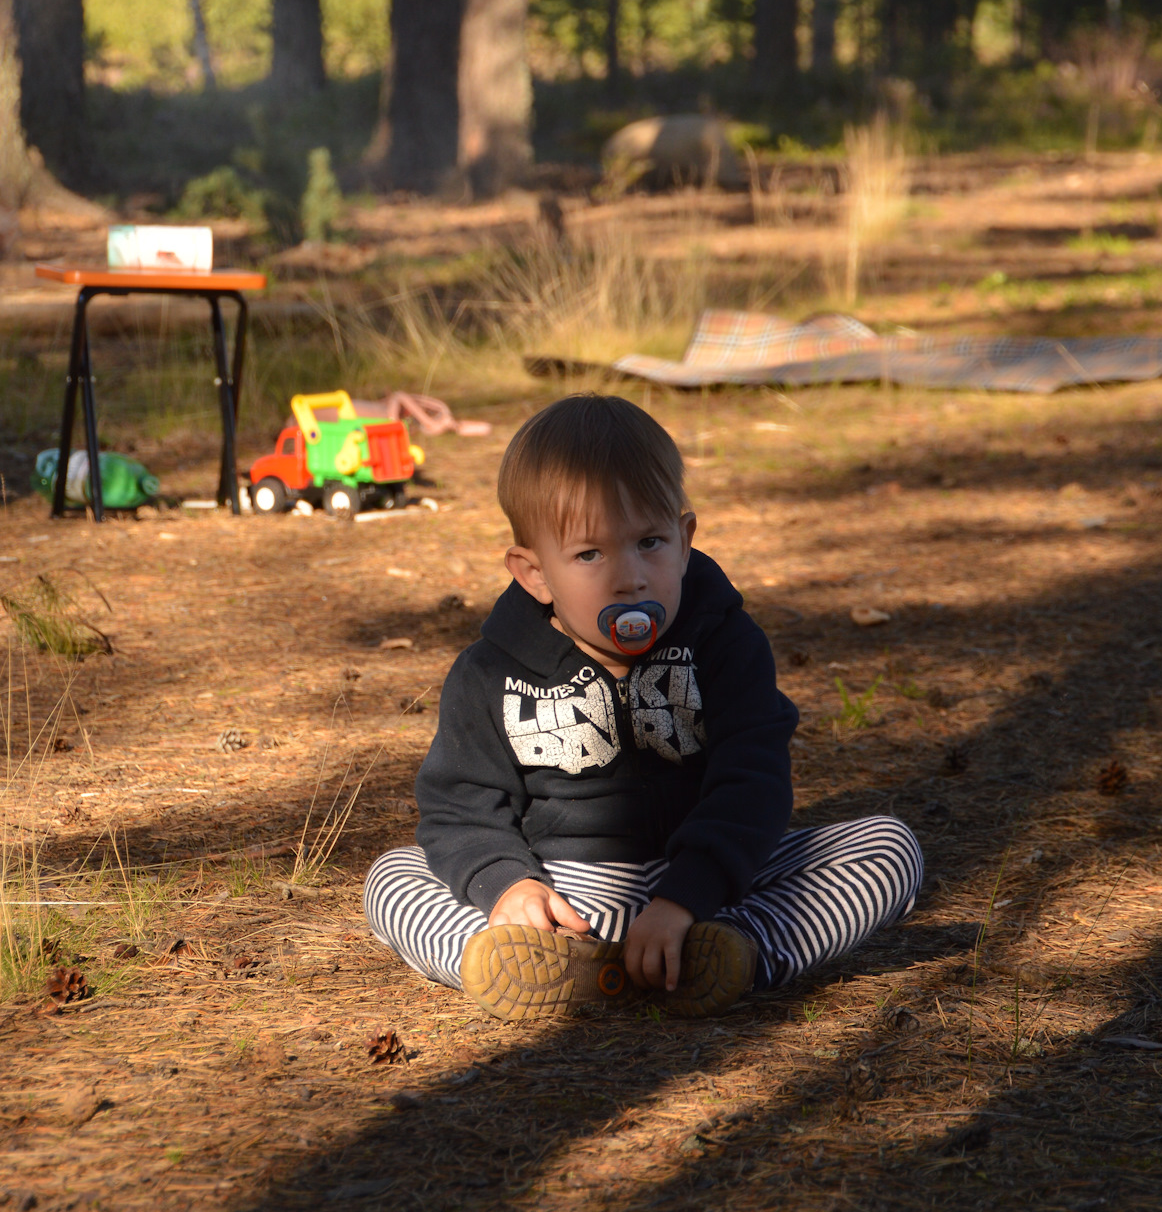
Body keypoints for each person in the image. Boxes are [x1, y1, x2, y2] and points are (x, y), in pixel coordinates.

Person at [364, 395, 923, 1020]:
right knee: (393, 876)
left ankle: (736, 951)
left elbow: (753, 782)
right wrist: (507, 886)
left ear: (685, 542)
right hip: (562, 898)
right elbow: (459, 805)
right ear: (533, 573)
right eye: (589, 554)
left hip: (706, 893)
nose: (628, 577)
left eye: (649, 542)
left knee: (888, 845)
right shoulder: (490, 673)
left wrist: (687, 898)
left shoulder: (725, 644)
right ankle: (522, 965)